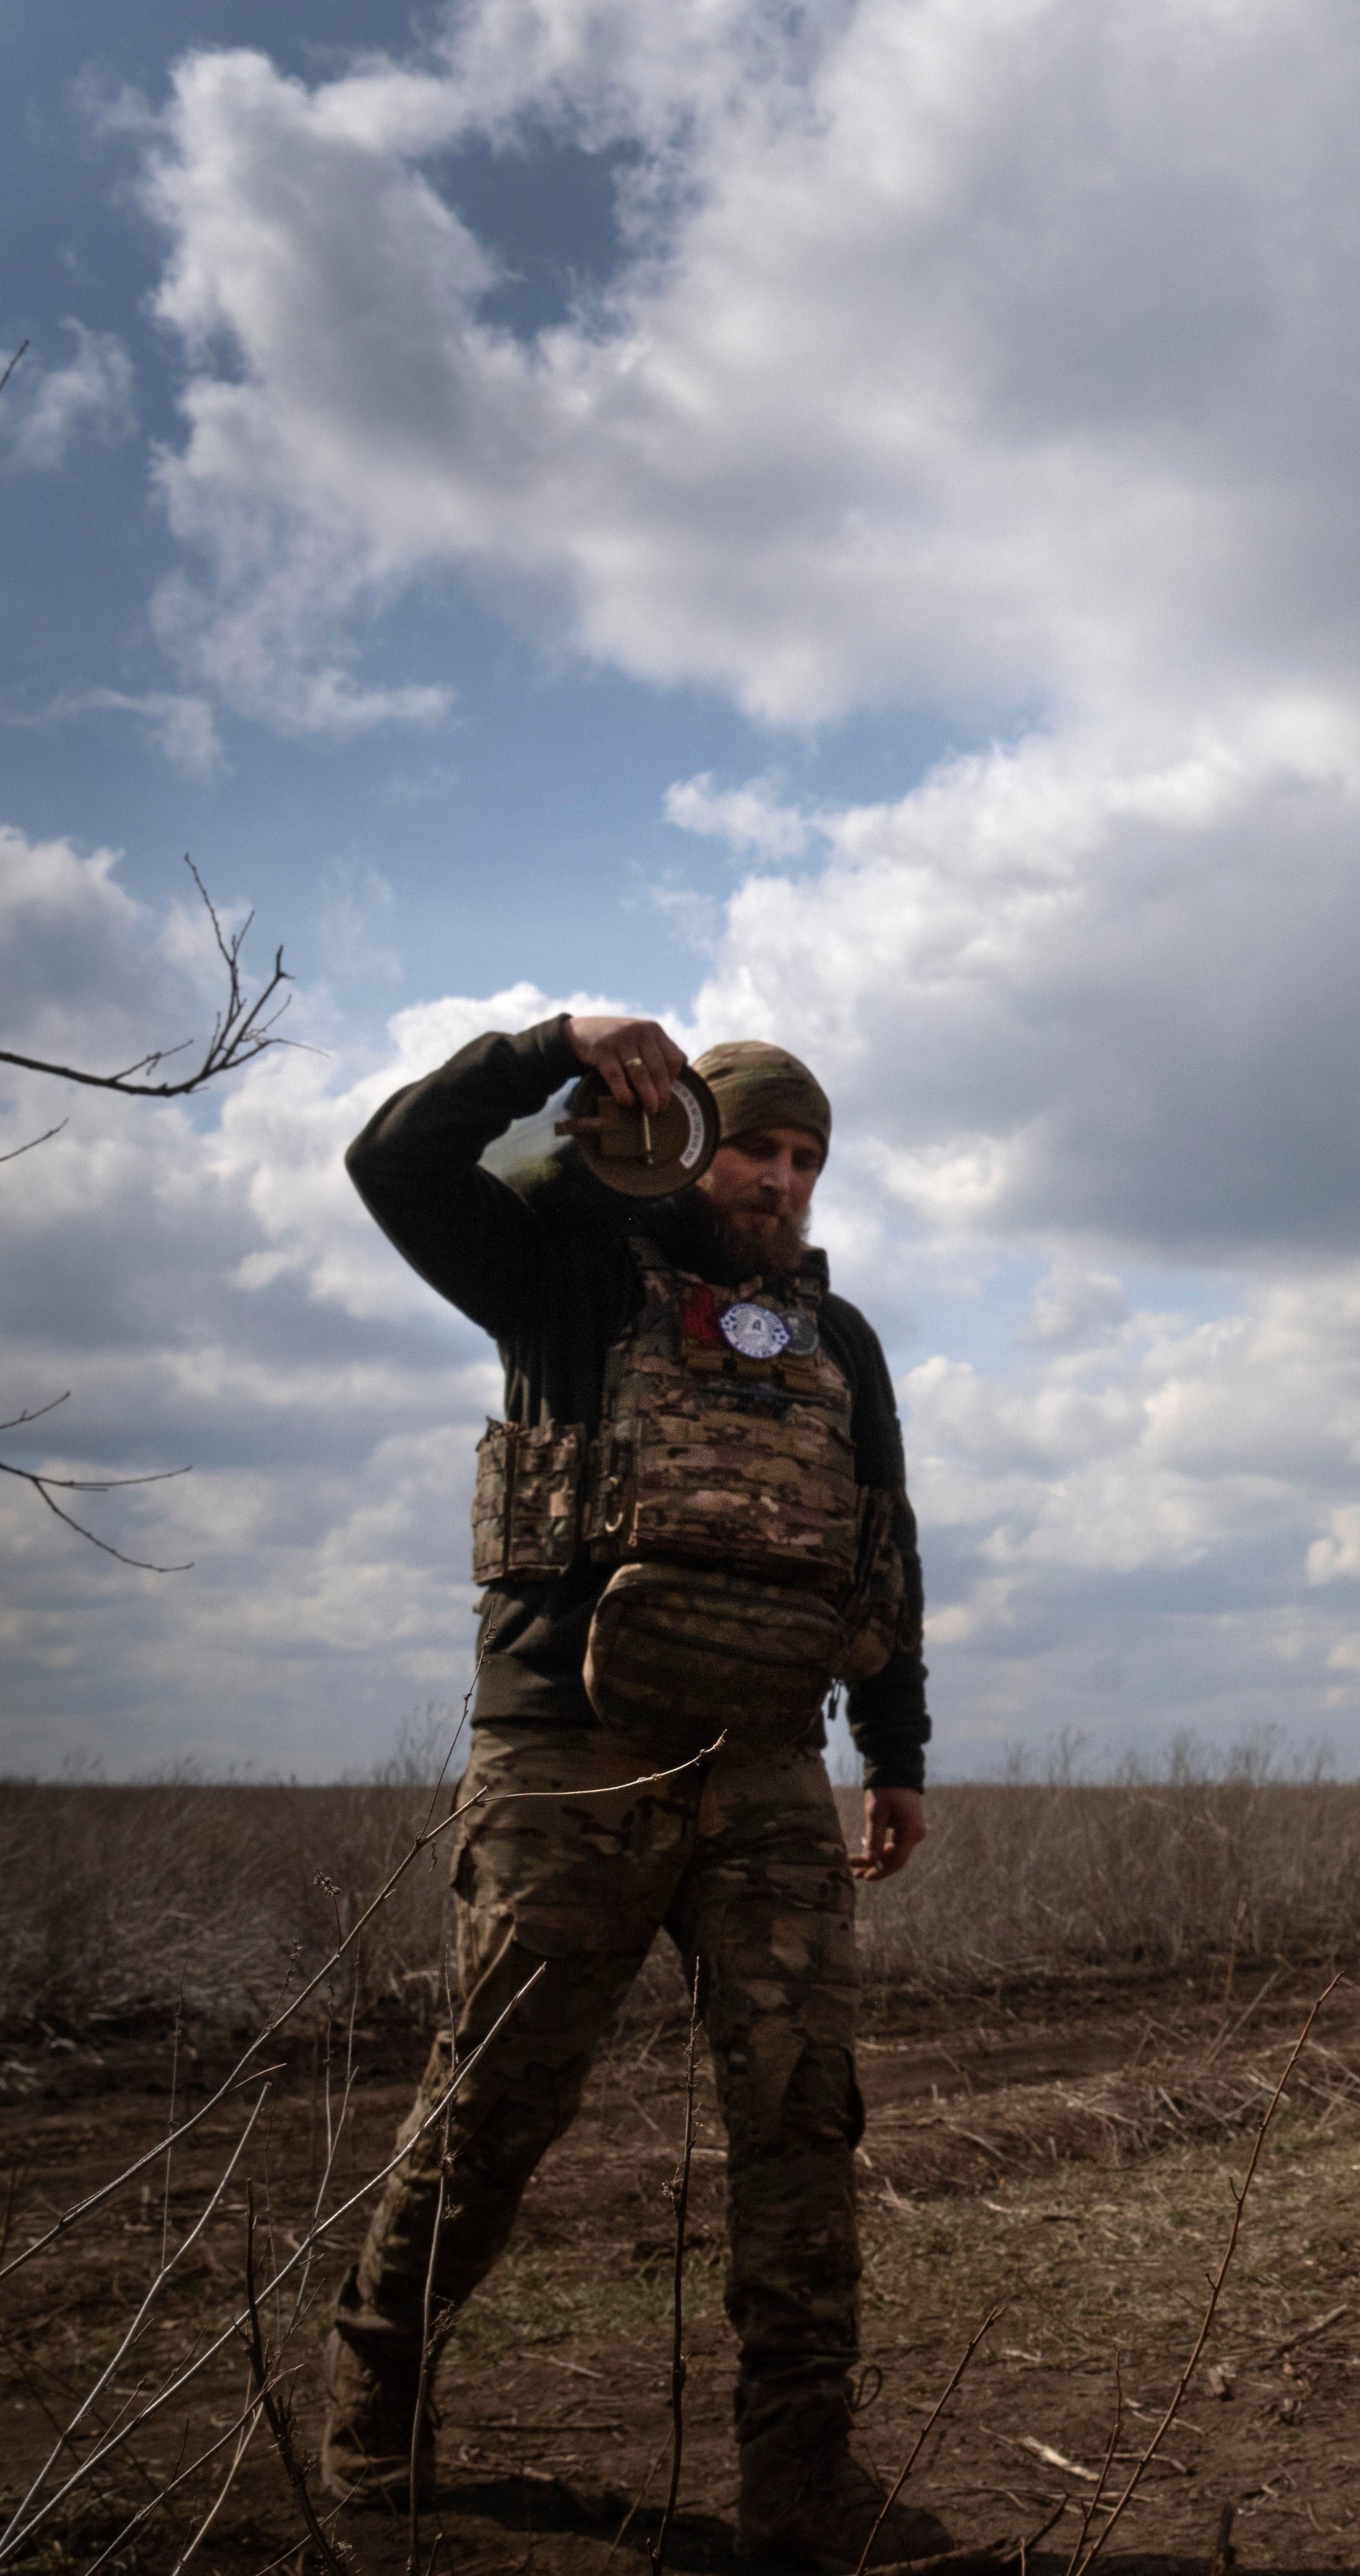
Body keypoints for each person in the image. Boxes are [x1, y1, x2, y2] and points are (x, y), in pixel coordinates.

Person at [327, 1014, 946, 2569]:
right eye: (758, 1145)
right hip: (569, 1751)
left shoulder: (837, 1335)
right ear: (691, 1134)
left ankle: (801, 2481)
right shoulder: (568, 1265)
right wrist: (553, 1050)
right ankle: (375, 2412)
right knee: (499, 2097)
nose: (784, 1179)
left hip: (767, 1762)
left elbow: (880, 1542)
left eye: (808, 1160)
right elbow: (390, 1160)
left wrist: (897, 1753)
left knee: (804, 2113)